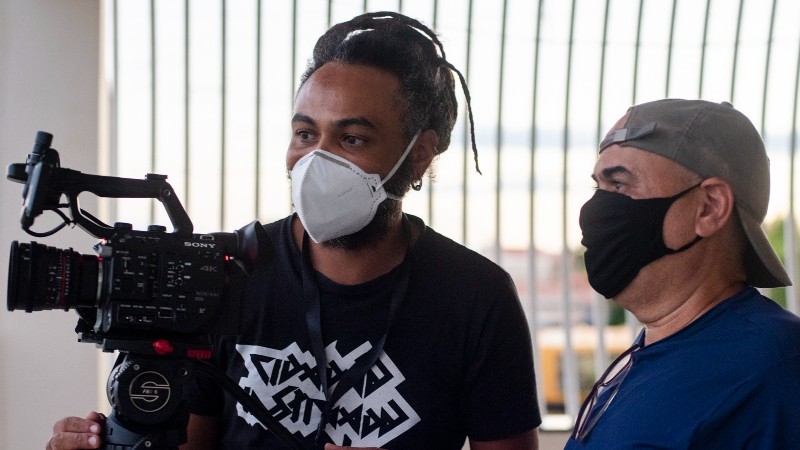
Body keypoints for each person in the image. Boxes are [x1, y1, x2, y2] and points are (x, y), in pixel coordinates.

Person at [46, 11, 541, 450]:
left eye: (352, 138)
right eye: (305, 133)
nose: (315, 160)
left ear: (419, 154)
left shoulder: (477, 297)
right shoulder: (223, 273)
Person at [565, 98, 800, 448]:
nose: (594, 211)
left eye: (619, 184)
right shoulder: (654, 351)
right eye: (599, 187)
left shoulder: (774, 370)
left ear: (709, 207)